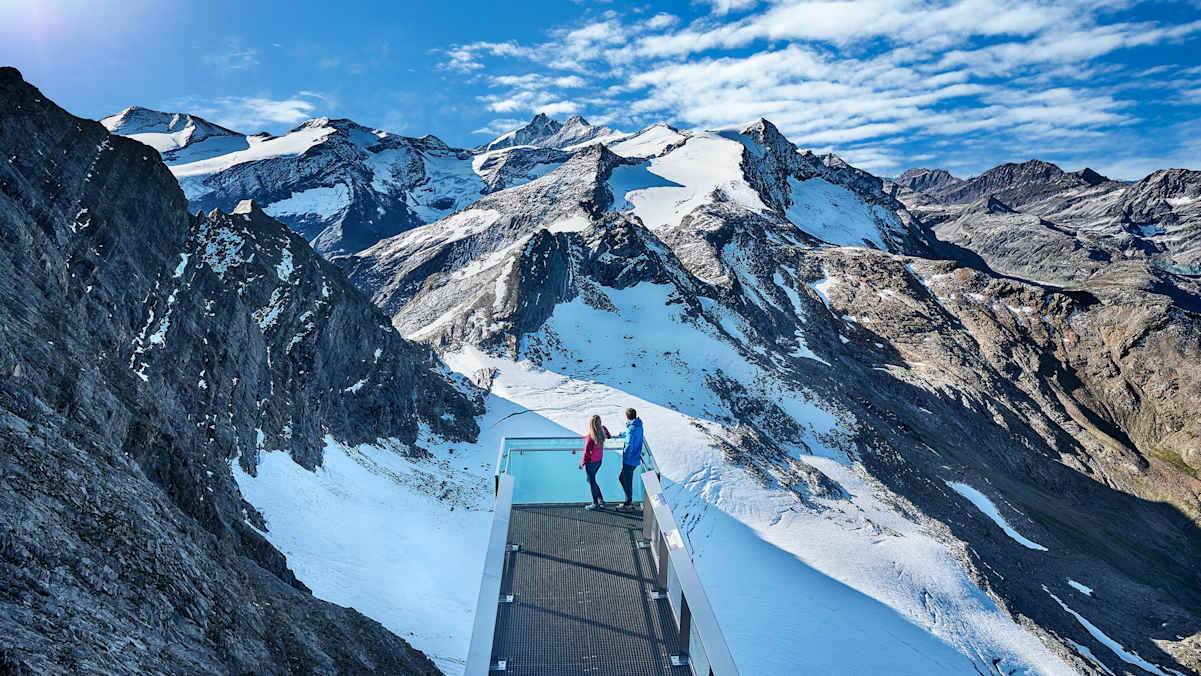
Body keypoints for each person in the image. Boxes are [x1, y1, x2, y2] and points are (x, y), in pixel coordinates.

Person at [613, 408, 644, 509]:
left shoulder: (631, 428)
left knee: (624, 479)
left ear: (627, 417)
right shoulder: (638, 426)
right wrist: (622, 434)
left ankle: (628, 503)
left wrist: (626, 455)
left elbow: (629, 443)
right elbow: (630, 434)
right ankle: (628, 502)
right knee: (626, 479)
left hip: (629, 460)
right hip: (635, 458)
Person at [579, 415, 610, 510]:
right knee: (592, 480)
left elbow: (587, 453)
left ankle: (595, 503)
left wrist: (582, 463)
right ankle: (601, 500)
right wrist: (604, 428)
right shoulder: (603, 431)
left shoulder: (591, 437)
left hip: (591, 463)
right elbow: (609, 436)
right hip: (599, 461)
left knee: (591, 481)